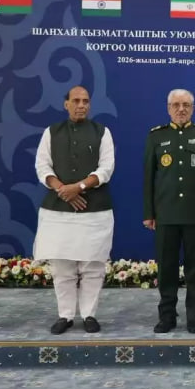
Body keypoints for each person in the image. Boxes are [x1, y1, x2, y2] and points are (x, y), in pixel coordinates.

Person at [33, 86, 116, 335]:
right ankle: (65, 316)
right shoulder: (51, 132)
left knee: (92, 266)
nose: (81, 105)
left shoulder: (102, 132)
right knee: (62, 267)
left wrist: (78, 187)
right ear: (66, 104)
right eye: (76, 101)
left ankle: (89, 314)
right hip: (58, 210)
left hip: (95, 209)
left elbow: (106, 169)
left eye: (85, 101)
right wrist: (63, 190)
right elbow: (42, 166)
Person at [144, 89, 195, 334]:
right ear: (168, 109)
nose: (181, 109)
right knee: (166, 269)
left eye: (186, 105)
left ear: (193, 108)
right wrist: (149, 213)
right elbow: (148, 178)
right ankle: (167, 317)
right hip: (165, 214)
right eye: (176, 105)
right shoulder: (156, 136)